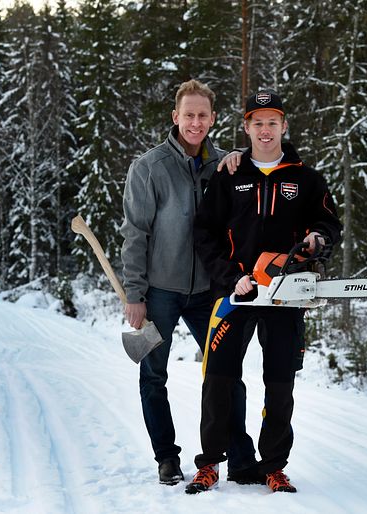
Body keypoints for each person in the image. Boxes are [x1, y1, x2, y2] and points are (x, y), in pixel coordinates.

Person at [187, 90, 342, 494]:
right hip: (236, 293)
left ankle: (273, 465)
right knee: (218, 378)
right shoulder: (230, 173)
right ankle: (210, 464)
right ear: (246, 127)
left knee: (279, 383)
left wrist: (317, 241)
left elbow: (330, 226)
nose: (265, 129)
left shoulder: (306, 178)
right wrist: (228, 277)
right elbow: (205, 233)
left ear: (284, 125)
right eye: (257, 122)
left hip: (285, 294)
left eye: (272, 122)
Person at [121, 79, 259, 486]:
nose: (195, 122)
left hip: (210, 293)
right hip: (161, 291)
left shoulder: (226, 165)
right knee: (153, 375)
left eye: (203, 115)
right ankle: (166, 456)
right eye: (189, 115)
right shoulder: (150, 167)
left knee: (226, 372)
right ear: (175, 117)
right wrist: (135, 294)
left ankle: (240, 457)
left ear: (213, 119)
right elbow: (135, 234)